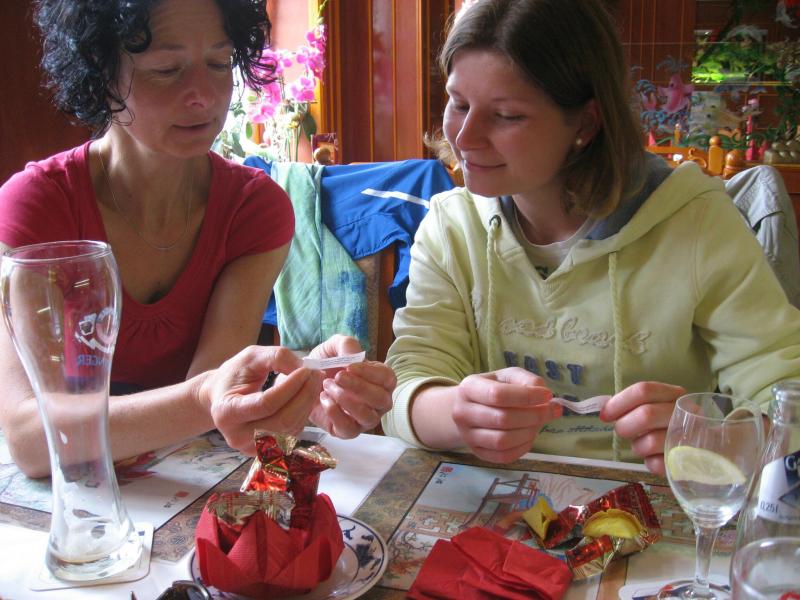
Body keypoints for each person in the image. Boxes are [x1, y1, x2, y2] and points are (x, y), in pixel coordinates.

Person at [381, 0, 800, 476]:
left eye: (507, 115)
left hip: (657, 500)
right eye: (459, 104)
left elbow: (787, 391)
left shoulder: (697, 222)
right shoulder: (451, 226)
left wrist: (717, 436)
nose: (465, 137)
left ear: (585, 123)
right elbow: (406, 386)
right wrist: (456, 412)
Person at [0, 0, 395, 478]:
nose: (204, 96)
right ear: (101, 72)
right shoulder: (38, 208)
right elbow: (33, 440)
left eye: (219, 63)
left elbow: (214, 398)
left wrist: (302, 381)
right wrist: (212, 400)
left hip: (173, 486)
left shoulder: (253, 210)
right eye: (166, 70)